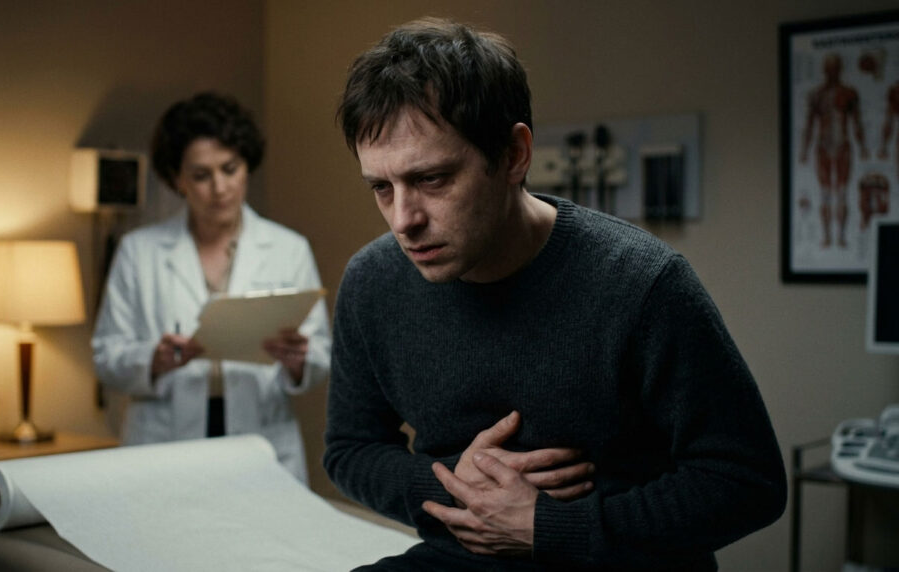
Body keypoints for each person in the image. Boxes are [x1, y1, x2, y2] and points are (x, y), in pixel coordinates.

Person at [324, 18, 787, 570]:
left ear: (514, 155)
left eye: (432, 179)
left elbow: (746, 481)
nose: (404, 220)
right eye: (382, 187)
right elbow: (350, 449)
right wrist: (451, 484)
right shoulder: (372, 283)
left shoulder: (642, 284)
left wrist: (552, 527)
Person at [93, 92, 329, 483]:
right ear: (178, 180)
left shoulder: (289, 249)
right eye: (201, 175)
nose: (219, 187)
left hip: (263, 439)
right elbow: (106, 356)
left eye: (230, 169)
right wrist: (154, 359)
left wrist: (298, 359)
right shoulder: (139, 251)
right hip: (163, 443)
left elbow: (320, 351)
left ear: (246, 166)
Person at [799, 52, 870, 249]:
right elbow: (809, 124)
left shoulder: (849, 93)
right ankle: (827, 237)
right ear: (824, 70)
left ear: (840, 69)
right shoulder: (817, 95)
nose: (832, 72)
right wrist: (804, 150)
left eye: (835, 68)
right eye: (828, 68)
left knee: (842, 192)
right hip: (823, 145)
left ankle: (841, 237)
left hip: (842, 145)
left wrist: (863, 147)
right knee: (825, 193)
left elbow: (857, 122)